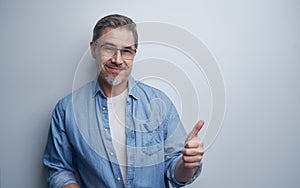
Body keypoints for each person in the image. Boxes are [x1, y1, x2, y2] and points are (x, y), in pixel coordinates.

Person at [43, 14, 205, 188]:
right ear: (93, 49)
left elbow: (175, 173)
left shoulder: (160, 104)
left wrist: (187, 165)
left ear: (134, 53)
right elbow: (58, 169)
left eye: (126, 51)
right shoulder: (66, 110)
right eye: (108, 48)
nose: (117, 60)